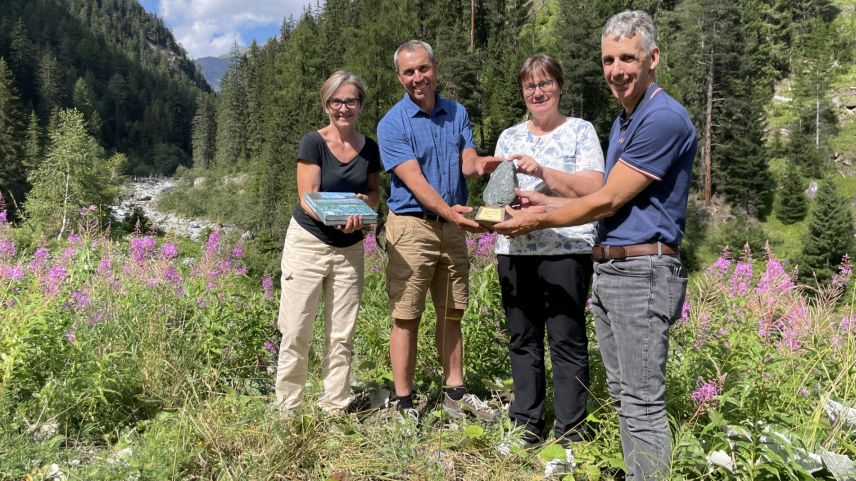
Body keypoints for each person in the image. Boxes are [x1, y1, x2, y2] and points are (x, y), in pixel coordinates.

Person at [494, 10, 697, 480]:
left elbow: (605, 198)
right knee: (625, 395)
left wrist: (538, 216)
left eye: (627, 58)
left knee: (641, 402)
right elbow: (603, 197)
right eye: (609, 60)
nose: (617, 70)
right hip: (613, 266)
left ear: (653, 58)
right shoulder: (627, 119)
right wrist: (541, 202)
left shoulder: (662, 118)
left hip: (642, 270)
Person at [376, 40, 502, 422]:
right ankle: (403, 402)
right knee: (406, 315)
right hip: (412, 227)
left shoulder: (457, 113)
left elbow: (467, 161)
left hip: (453, 225)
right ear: (399, 77)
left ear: (435, 67)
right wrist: (453, 214)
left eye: (423, 68)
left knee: (452, 312)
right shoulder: (392, 124)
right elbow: (416, 183)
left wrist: (482, 166)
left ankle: (455, 393)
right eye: (409, 72)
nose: (418, 77)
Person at [492, 53, 604, 448]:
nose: (538, 92)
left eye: (545, 83)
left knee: (566, 339)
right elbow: (498, 194)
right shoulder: (508, 138)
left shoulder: (580, 132)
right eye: (530, 85)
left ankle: (571, 432)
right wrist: (495, 211)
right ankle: (526, 424)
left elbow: (594, 189)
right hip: (514, 250)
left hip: (567, 248)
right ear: (522, 91)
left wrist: (541, 171)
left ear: (559, 86)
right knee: (522, 339)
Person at [274, 71, 381, 414]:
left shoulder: (369, 148)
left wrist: (364, 208)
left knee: (342, 333)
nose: (343, 108)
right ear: (326, 105)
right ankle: (288, 408)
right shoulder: (313, 143)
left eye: (350, 101)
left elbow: (374, 192)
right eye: (336, 101)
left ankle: (334, 407)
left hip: (350, 249)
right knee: (296, 329)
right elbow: (308, 198)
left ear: (360, 104)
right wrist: (340, 219)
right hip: (309, 242)